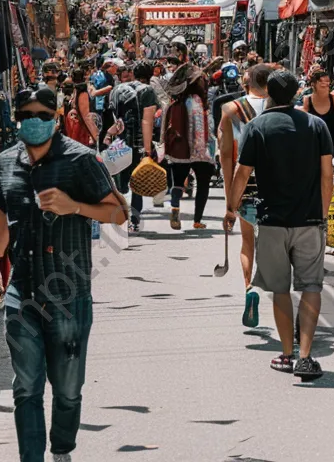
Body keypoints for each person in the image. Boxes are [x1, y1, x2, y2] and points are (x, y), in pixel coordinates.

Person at [0, 87, 129, 462]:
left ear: (57, 115)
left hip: (68, 295)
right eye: (27, 114)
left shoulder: (81, 160)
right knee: (26, 388)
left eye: (43, 115)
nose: (35, 121)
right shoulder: (5, 161)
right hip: (22, 291)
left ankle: (62, 449)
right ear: (17, 116)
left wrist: (74, 206)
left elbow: (119, 214)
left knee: (67, 390)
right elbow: (3, 212)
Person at [224, 71, 334, 380]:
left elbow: (242, 173)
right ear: (298, 92)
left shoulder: (257, 127)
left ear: (267, 93)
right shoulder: (316, 125)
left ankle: (287, 354)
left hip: (271, 220)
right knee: (311, 285)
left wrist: (232, 209)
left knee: (280, 289)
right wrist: (322, 214)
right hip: (310, 220)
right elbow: (328, 175)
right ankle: (306, 356)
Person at [217, 64, 271, 327]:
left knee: (247, 241)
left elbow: (226, 156)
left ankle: (250, 288)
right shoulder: (285, 107)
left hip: (246, 183)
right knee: (277, 243)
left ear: (246, 82)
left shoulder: (231, 110)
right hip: (278, 185)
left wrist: (230, 201)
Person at [162, 63, 215, 230]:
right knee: (203, 183)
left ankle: (175, 208)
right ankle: (197, 220)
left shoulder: (175, 103)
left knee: (177, 183)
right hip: (198, 151)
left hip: (179, 149)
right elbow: (201, 130)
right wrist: (205, 152)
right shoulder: (198, 102)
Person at [109, 60, 159, 233]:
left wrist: (109, 138)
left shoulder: (117, 90)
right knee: (136, 184)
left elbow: (113, 119)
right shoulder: (148, 91)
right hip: (137, 142)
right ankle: (134, 220)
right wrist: (147, 150)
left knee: (119, 183)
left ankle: (120, 219)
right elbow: (147, 121)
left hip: (119, 141)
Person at [302, 68, 334, 154]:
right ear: (313, 85)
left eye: (328, 83)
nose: (326, 86)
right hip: (317, 145)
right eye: (322, 85)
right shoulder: (307, 100)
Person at [60, 70, 98, 147]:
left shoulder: (77, 89)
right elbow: (85, 116)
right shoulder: (81, 90)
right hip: (77, 125)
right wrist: (95, 136)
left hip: (74, 123)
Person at [88, 58, 119, 140]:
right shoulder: (106, 76)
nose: (116, 69)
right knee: (103, 126)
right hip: (102, 105)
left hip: (100, 104)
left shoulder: (98, 74)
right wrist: (96, 92)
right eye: (115, 67)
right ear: (110, 67)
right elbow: (108, 87)